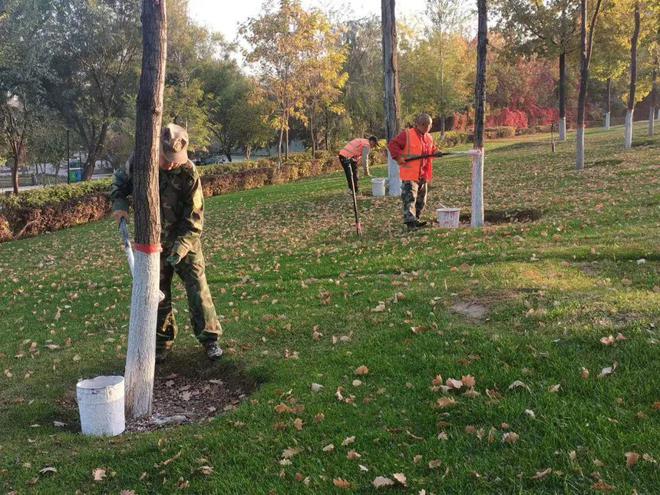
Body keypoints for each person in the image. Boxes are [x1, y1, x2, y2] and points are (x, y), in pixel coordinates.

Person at [110, 123, 223, 363]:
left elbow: (195, 219)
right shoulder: (140, 163)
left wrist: (180, 249)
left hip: (185, 241)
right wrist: (120, 207)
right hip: (151, 243)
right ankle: (162, 344)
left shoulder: (189, 172)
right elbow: (119, 185)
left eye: (176, 159)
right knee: (157, 295)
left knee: (197, 288)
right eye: (167, 158)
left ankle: (210, 340)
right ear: (156, 150)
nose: (171, 163)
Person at [388, 113, 437, 230]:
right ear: (422, 124)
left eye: (430, 125)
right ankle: (410, 224)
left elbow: (431, 149)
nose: (429, 128)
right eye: (428, 125)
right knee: (410, 199)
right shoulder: (407, 135)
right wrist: (398, 157)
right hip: (410, 174)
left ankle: (416, 219)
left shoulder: (428, 137)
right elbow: (392, 144)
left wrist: (436, 152)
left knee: (421, 201)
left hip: (423, 174)